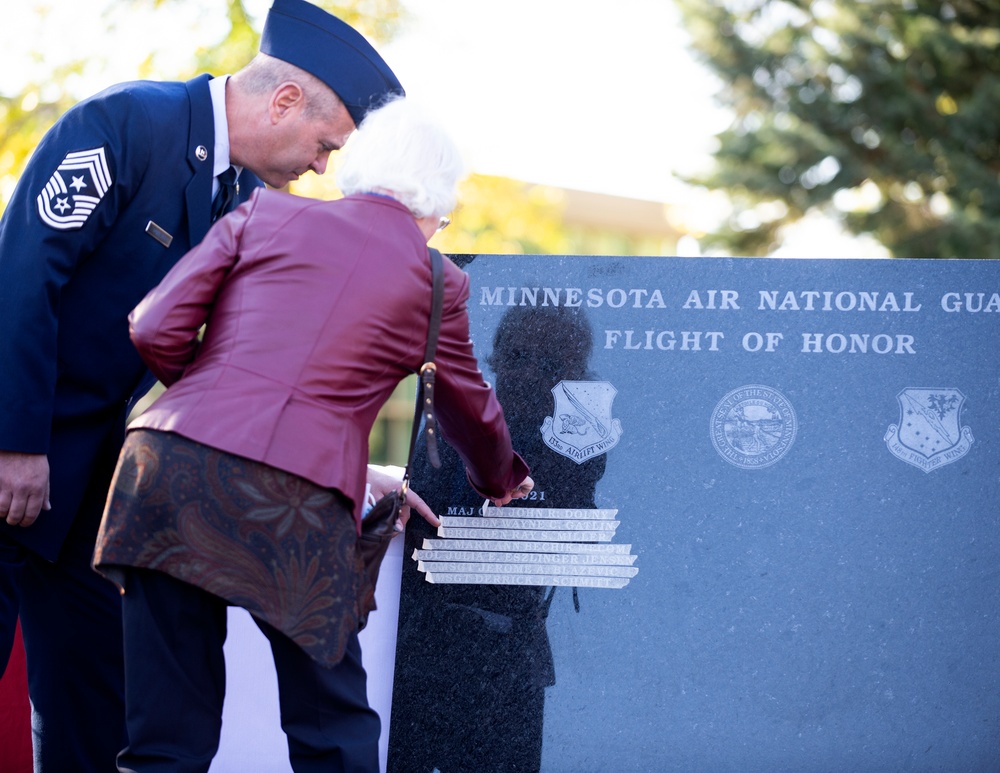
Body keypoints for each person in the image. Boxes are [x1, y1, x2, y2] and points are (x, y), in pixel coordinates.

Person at [0, 1, 410, 769]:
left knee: (95, 721)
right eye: (325, 144)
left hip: (89, 491)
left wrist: (348, 463)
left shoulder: (252, 202)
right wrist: (13, 441)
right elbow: (21, 278)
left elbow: (237, 365)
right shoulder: (125, 125)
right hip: (14, 458)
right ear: (285, 100)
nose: (323, 167)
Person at [91, 96, 533, 772]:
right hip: (292, 504)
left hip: (165, 471)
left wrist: (216, 407)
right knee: (331, 725)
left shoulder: (263, 211)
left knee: (164, 738)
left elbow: (153, 326)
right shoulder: (437, 278)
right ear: (433, 204)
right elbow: (468, 406)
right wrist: (503, 478)